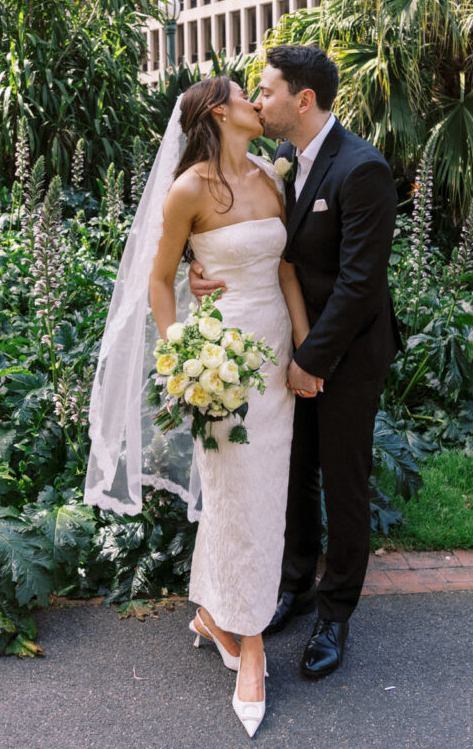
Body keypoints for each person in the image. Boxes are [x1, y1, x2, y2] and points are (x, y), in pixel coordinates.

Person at [86, 75, 311, 739]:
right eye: (248, 96)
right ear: (220, 111)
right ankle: (252, 644)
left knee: (256, 495)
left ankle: (215, 615)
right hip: (222, 363)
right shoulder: (187, 190)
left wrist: (304, 353)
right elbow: (158, 280)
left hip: (273, 359)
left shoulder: (271, 178)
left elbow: (287, 270)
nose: (257, 105)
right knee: (241, 494)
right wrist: (185, 356)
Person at [190, 45, 402, 681]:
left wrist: (312, 358)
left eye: (269, 90)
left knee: (343, 481)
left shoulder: (363, 169)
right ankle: (294, 585)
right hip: (286, 347)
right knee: (293, 475)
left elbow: (361, 283)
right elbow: (243, 231)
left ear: (302, 100)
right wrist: (202, 270)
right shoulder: (282, 162)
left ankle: (334, 614)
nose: (259, 100)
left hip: (346, 354)